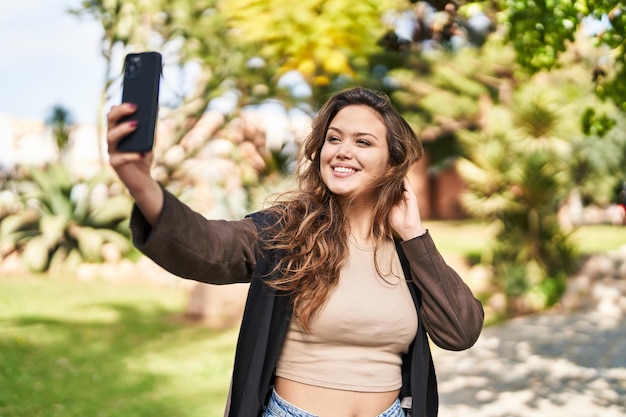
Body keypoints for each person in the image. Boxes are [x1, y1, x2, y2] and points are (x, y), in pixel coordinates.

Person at [106, 86, 484, 417]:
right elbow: (207, 246)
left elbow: (461, 331)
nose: (343, 151)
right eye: (333, 139)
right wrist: (141, 183)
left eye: (363, 142)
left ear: (392, 163)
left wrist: (415, 235)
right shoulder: (287, 230)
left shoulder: (407, 249)